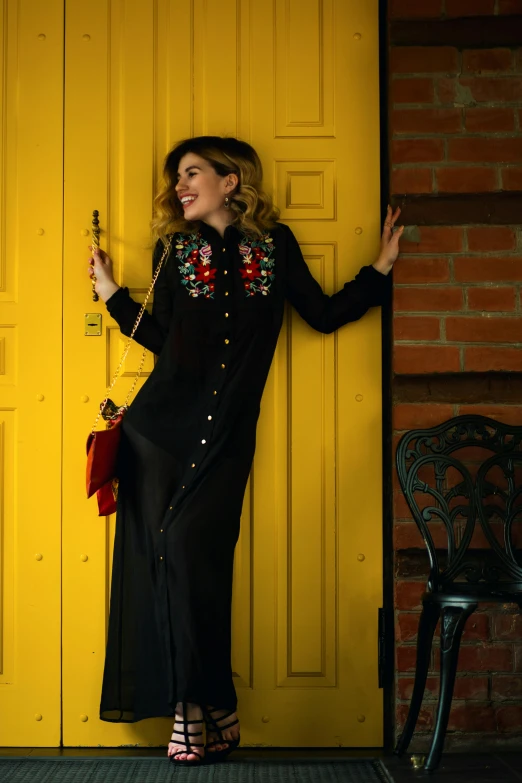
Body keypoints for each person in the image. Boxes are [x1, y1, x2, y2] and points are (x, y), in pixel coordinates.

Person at [87, 135, 403, 766]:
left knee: (199, 567)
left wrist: (381, 271)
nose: (180, 185)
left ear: (232, 181)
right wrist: (113, 296)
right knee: (168, 564)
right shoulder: (172, 250)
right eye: (177, 176)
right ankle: (192, 712)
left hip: (228, 435)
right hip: (159, 432)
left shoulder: (274, 246)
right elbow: (164, 338)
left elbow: (322, 312)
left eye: (193, 173)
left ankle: (214, 707)